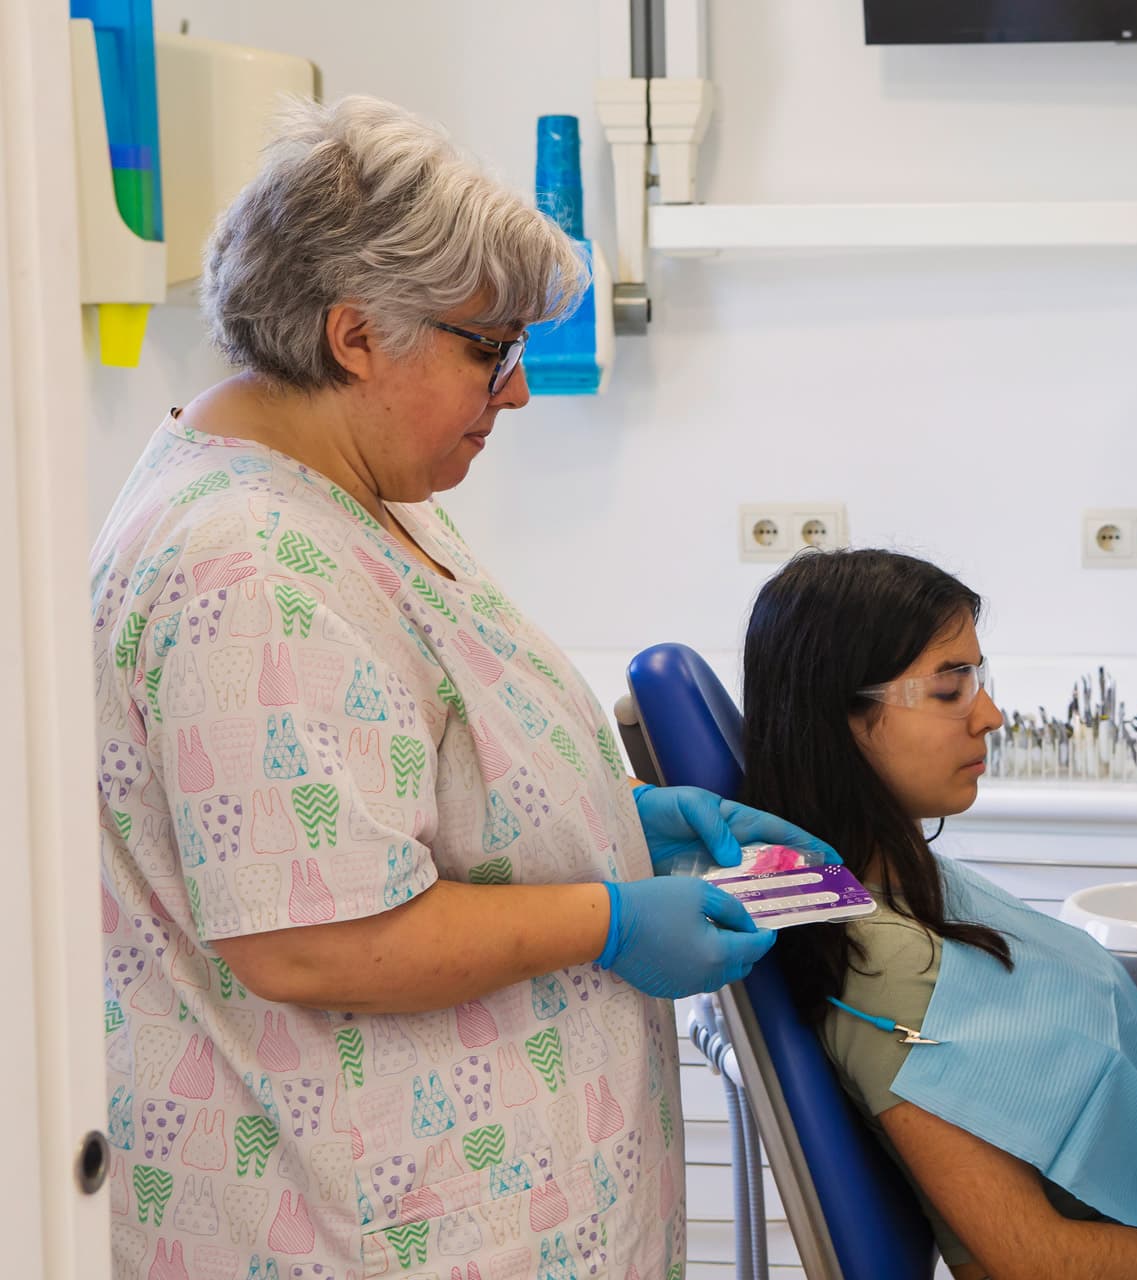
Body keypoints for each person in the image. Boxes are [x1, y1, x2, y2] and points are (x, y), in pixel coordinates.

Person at [92, 96, 828, 1278]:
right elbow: (311, 937)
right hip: (354, 1222)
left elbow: (378, 791)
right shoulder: (245, 565)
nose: (519, 392)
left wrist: (612, 820)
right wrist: (610, 915)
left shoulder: (353, 499)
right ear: (355, 335)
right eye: (491, 349)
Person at [737, 548, 1137, 1280]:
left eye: (979, 678)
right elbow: (1035, 1258)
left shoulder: (917, 887)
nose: (990, 715)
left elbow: (1084, 1159)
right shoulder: (884, 970)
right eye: (948, 689)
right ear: (840, 715)